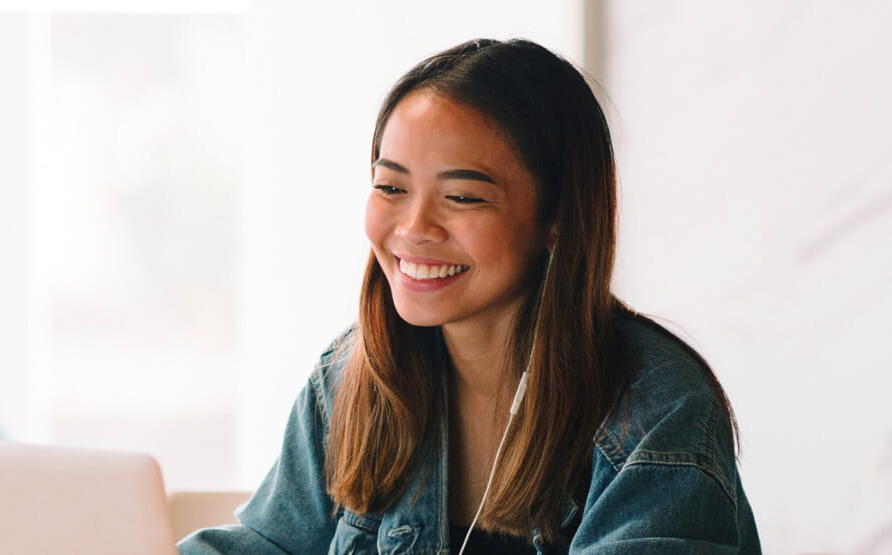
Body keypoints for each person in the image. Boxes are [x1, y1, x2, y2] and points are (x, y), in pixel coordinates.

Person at [179, 39, 759, 553]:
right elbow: (268, 543)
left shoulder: (657, 408)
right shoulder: (351, 376)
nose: (412, 228)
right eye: (390, 187)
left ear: (557, 217)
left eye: (463, 197)